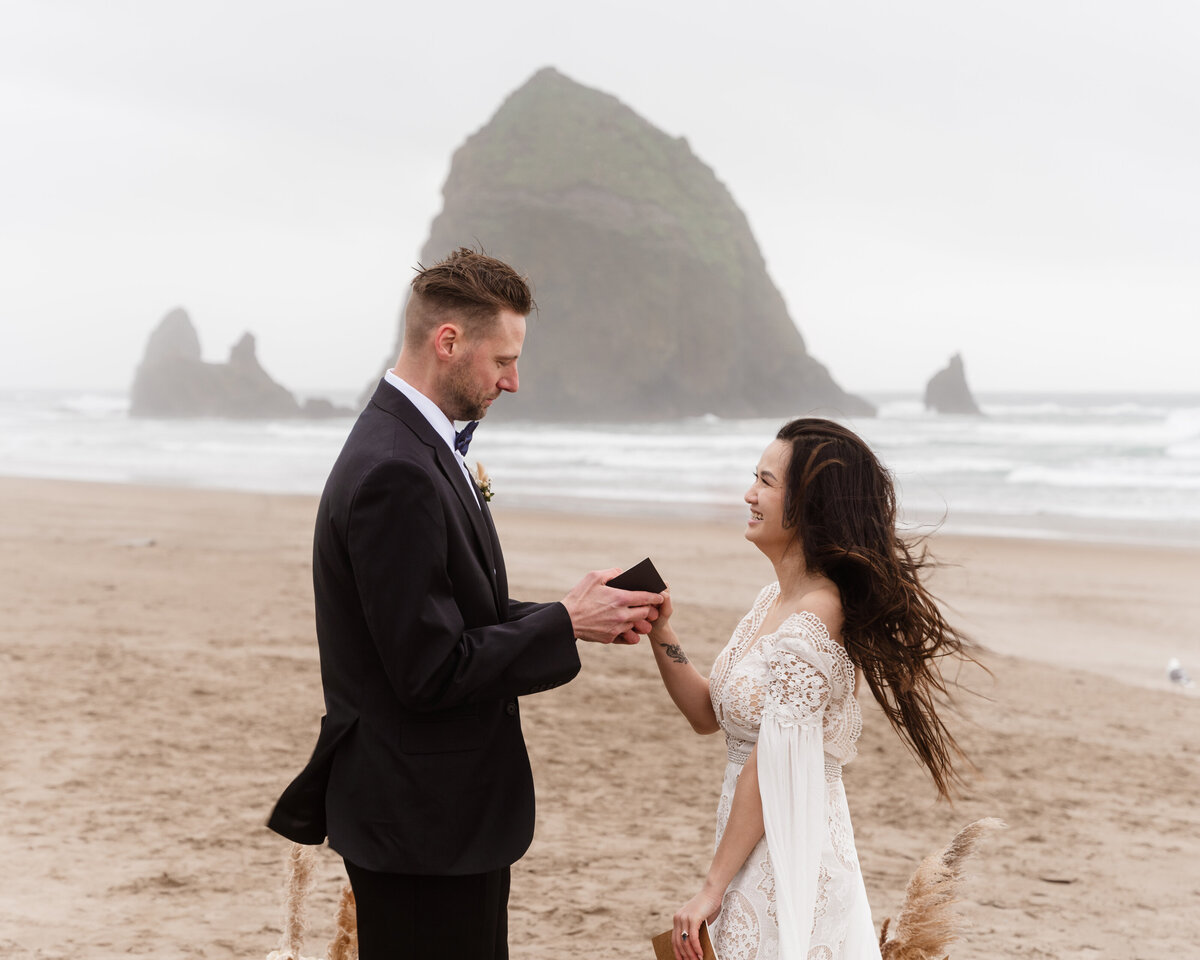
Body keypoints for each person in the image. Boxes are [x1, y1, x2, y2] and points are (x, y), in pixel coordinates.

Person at [267, 247, 663, 960]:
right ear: (448, 342)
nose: (514, 381)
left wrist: (579, 614)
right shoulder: (396, 468)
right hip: (422, 823)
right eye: (503, 360)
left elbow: (451, 611)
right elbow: (429, 669)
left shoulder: (415, 443)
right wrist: (562, 624)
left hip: (431, 816)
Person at [646, 418, 974, 960]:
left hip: (789, 852)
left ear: (809, 504)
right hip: (747, 845)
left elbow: (771, 758)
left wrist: (711, 887)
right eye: (755, 477)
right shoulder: (770, 601)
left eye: (767, 483)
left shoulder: (817, 615)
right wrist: (662, 632)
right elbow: (709, 714)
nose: (749, 495)